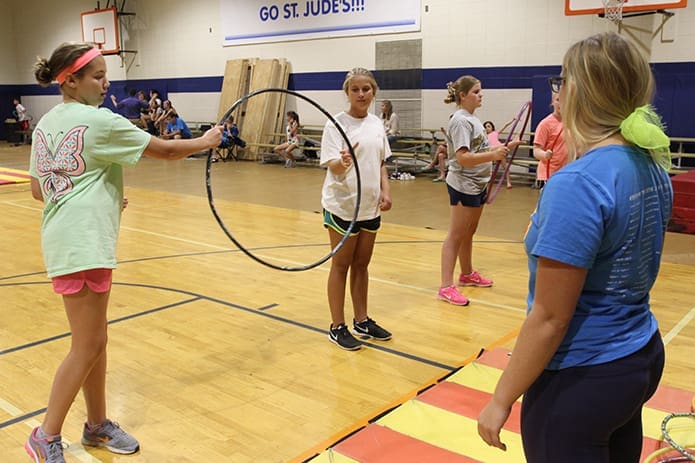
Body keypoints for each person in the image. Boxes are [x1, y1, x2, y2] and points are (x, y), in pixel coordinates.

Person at [477, 32, 672, 462]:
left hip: (583, 376)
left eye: (562, 81)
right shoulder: (651, 164)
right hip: (639, 356)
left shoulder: (577, 185)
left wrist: (501, 397)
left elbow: (549, 318)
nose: (556, 91)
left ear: (580, 91)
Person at [25, 42, 221, 463]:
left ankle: (96, 426)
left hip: (76, 240)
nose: (106, 83)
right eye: (97, 76)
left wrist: (98, 196)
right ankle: (45, 435)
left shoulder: (44, 125)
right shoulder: (100, 121)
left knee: (95, 341)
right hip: (82, 245)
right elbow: (165, 151)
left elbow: (41, 189)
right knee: (87, 345)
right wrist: (207, 140)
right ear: (71, 81)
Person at [321, 67, 393, 350]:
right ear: (347, 92)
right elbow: (333, 165)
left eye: (366, 89)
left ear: (373, 91)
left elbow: (381, 162)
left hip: (370, 208)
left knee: (362, 265)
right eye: (355, 89)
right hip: (342, 206)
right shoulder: (335, 125)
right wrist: (343, 161)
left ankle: (361, 320)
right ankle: (337, 326)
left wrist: (386, 192)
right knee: (341, 266)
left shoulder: (376, 123)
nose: (361, 94)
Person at [436, 77, 517, 306]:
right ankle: (445, 286)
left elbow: (479, 149)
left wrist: (500, 149)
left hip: (478, 183)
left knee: (468, 233)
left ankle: (467, 273)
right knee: (456, 234)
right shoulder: (461, 121)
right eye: (476, 91)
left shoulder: (474, 119)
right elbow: (462, 158)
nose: (481, 95)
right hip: (464, 184)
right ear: (463, 95)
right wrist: (492, 155)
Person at [532, 92, 567, 189]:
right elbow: (536, 150)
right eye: (558, 100)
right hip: (548, 174)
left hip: (566, 173)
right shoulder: (545, 124)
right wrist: (545, 155)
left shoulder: (572, 123)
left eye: (565, 100)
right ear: (552, 102)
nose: (561, 103)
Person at [483, 119, 514, 189]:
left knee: (505, 166)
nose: (487, 128)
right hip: (492, 152)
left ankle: (508, 182)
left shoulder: (495, 133)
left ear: (492, 127)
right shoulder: (484, 136)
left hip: (500, 150)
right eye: (485, 127)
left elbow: (505, 125)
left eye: (489, 126)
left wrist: (512, 120)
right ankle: (486, 180)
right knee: (486, 166)